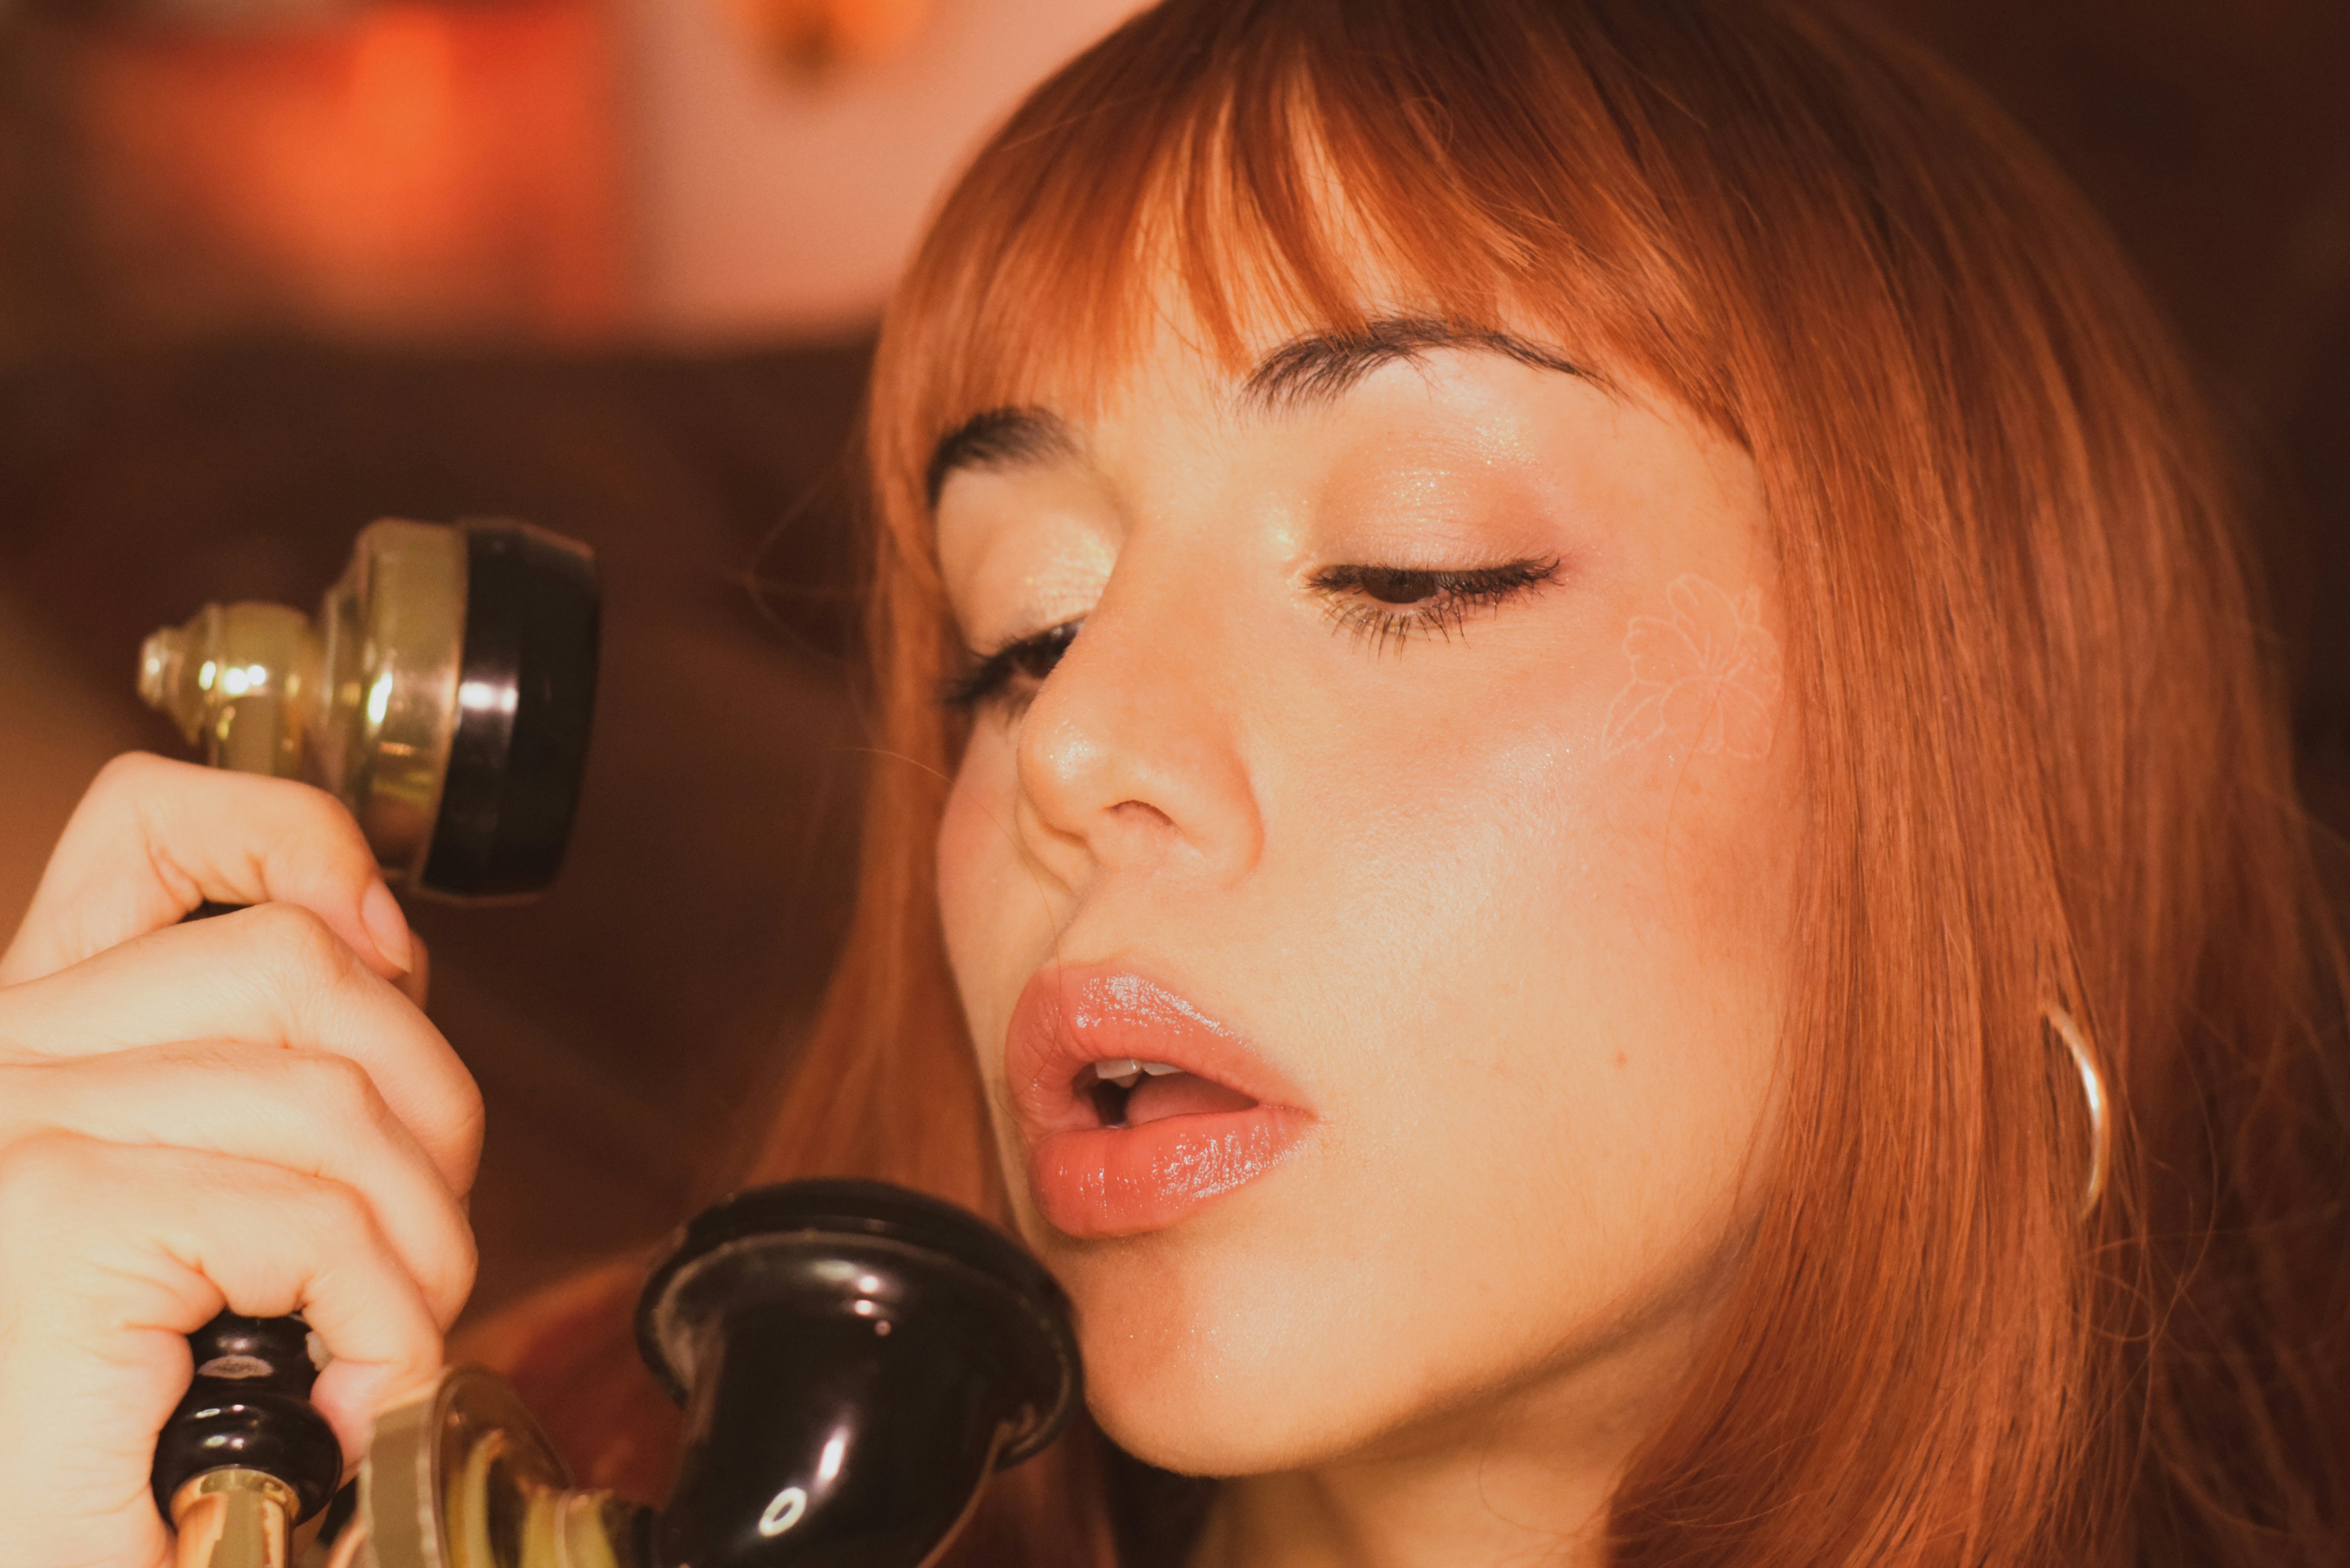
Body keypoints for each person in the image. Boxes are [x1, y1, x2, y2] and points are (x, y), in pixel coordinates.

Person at [2, 2, 2342, 1565]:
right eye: (1012, 636)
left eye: (1413, 568)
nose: (1077, 749)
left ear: (1994, 790)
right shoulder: (589, 1441)